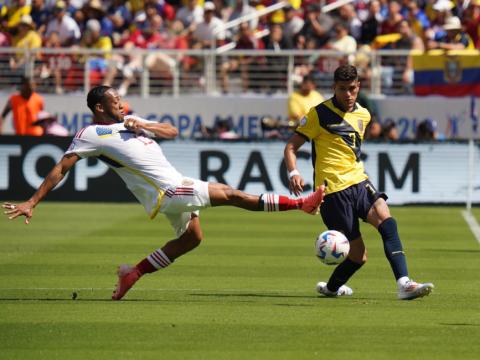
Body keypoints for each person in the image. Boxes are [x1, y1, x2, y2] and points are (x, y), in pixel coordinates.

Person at [2, 85, 325, 301]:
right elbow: (62, 167)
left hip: (172, 187)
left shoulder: (130, 120)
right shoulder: (92, 134)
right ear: (100, 107)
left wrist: (144, 126)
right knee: (232, 194)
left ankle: (134, 272)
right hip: (168, 191)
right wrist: (32, 201)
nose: (121, 104)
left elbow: (172, 130)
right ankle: (300, 204)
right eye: (115, 101)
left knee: (192, 239)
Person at [283, 65, 434, 300]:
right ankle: (331, 288)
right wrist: (294, 173)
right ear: (334, 88)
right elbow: (291, 146)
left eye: (352, 88)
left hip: (359, 181)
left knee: (387, 221)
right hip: (332, 191)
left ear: (358, 87)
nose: (347, 94)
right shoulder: (318, 114)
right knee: (358, 256)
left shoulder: (364, 114)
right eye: (342, 89)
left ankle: (404, 283)